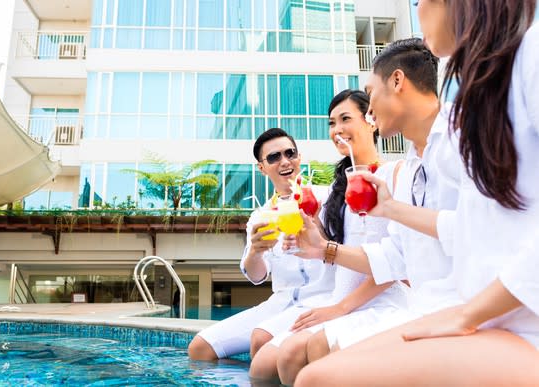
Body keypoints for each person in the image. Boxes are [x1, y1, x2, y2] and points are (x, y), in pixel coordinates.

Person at [295, 1, 539, 385]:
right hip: (480, 313)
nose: (418, 7)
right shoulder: (480, 104)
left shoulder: (526, 63)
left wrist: (468, 313)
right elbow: (462, 235)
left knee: (317, 376)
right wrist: (386, 211)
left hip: (513, 321)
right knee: (312, 364)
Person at [248, 90, 408, 384]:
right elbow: (329, 246)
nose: (337, 130)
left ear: (371, 121)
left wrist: (339, 308)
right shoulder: (339, 187)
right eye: (332, 123)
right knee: (260, 368)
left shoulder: (395, 174)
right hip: (341, 297)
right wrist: (307, 239)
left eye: (345, 119)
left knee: (291, 355)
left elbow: (395, 260)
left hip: (381, 297)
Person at [187, 128, 335, 361]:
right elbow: (257, 276)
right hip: (280, 303)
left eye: (290, 153)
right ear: (262, 167)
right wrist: (256, 252)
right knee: (200, 347)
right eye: (274, 157)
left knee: (262, 339)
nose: (284, 161)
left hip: (324, 298)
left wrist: (319, 228)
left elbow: (347, 249)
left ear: (299, 158)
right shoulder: (260, 216)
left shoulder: (327, 198)